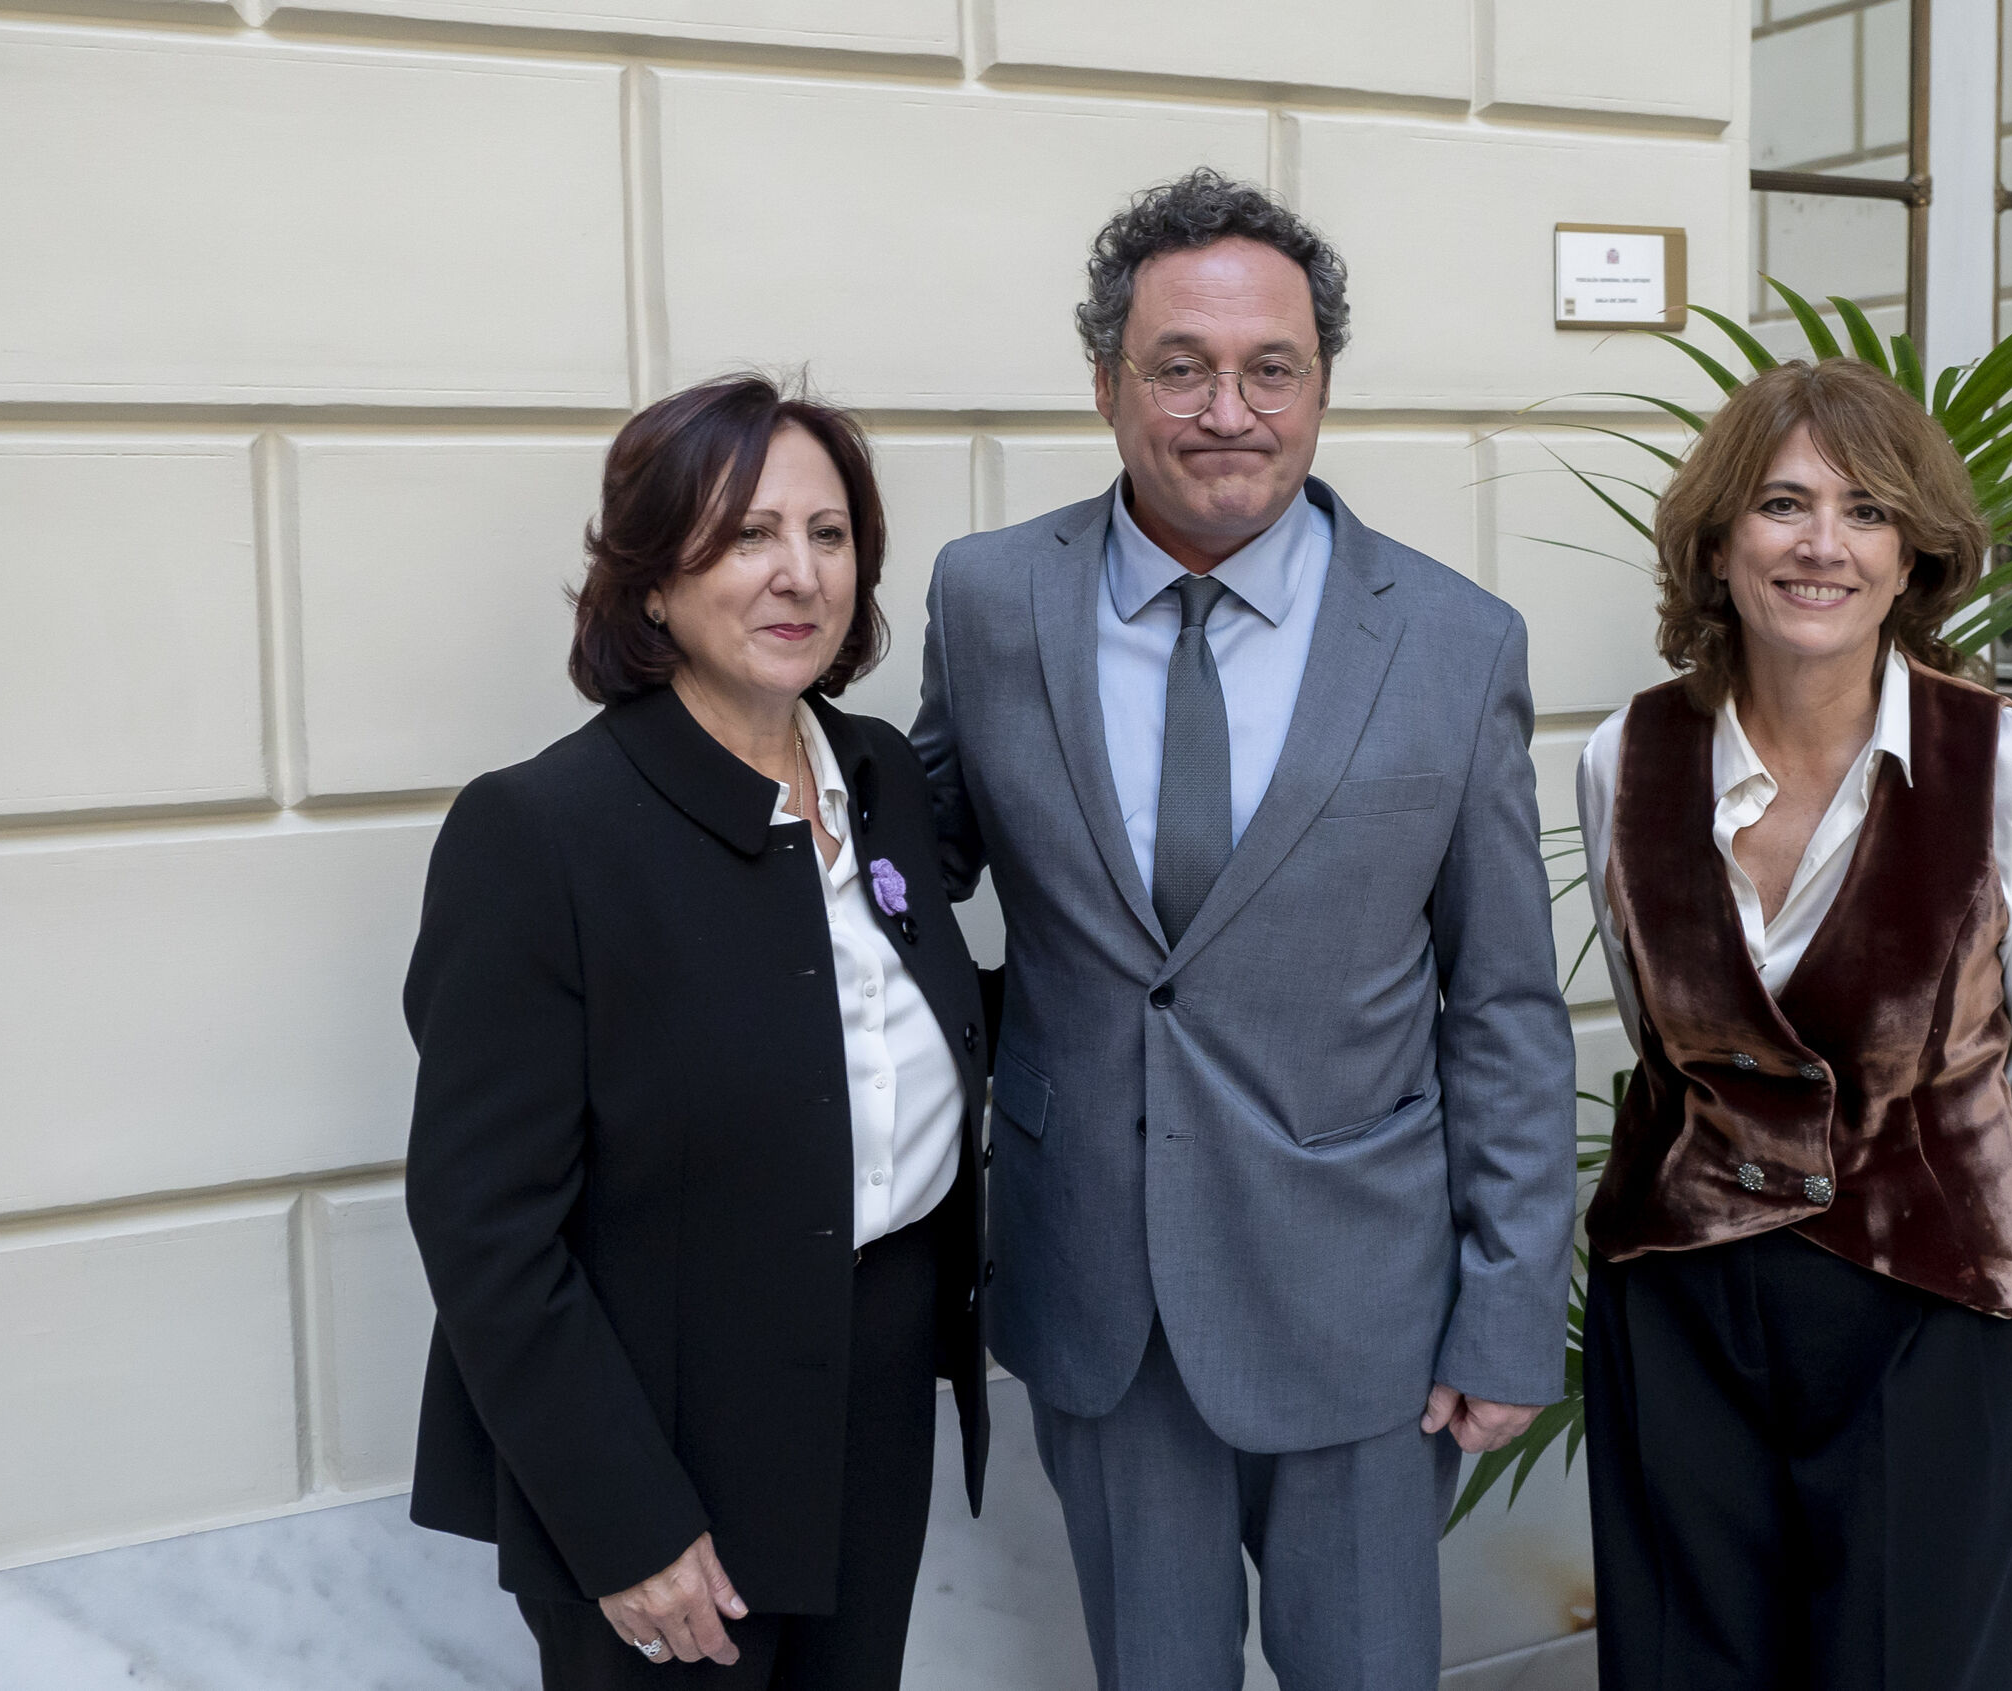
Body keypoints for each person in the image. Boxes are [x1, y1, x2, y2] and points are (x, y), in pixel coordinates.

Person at [908, 168, 1577, 1690]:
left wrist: (1508, 1311)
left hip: (1364, 1304)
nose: (1229, 411)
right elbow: (915, 866)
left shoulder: (1455, 644)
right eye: (1181, 367)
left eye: (1272, 367)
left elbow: (1504, 1006)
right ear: (1105, 382)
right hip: (1098, 1280)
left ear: (1322, 384)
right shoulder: (991, 603)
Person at [403, 374, 989, 1689]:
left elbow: (892, 1028)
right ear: (654, 583)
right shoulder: (541, 835)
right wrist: (622, 1521)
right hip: (664, 1440)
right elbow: (485, 1227)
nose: (799, 575)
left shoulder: (881, 775)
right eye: (746, 536)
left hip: (876, 1393)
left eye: (828, 535)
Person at [1574, 356, 2012, 1689]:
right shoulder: (1620, 760)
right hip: (1679, 1294)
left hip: (1931, 1303)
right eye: (1783, 504)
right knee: (1683, 1665)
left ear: (1912, 554)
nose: (1824, 545)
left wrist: (1916, 1188)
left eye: (1867, 511)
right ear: (1717, 544)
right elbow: (1662, 1030)